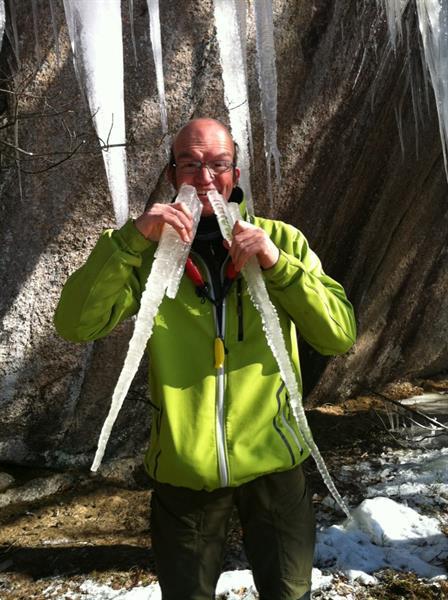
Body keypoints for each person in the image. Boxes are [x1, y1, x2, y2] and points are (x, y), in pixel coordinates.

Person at [54, 118, 356, 600]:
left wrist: (278, 266)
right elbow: (75, 323)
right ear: (172, 175)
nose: (206, 178)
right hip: (184, 473)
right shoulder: (148, 251)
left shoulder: (283, 241)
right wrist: (131, 240)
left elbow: (339, 334)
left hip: (276, 463)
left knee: (289, 592)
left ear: (235, 174)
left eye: (218, 165)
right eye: (191, 164)